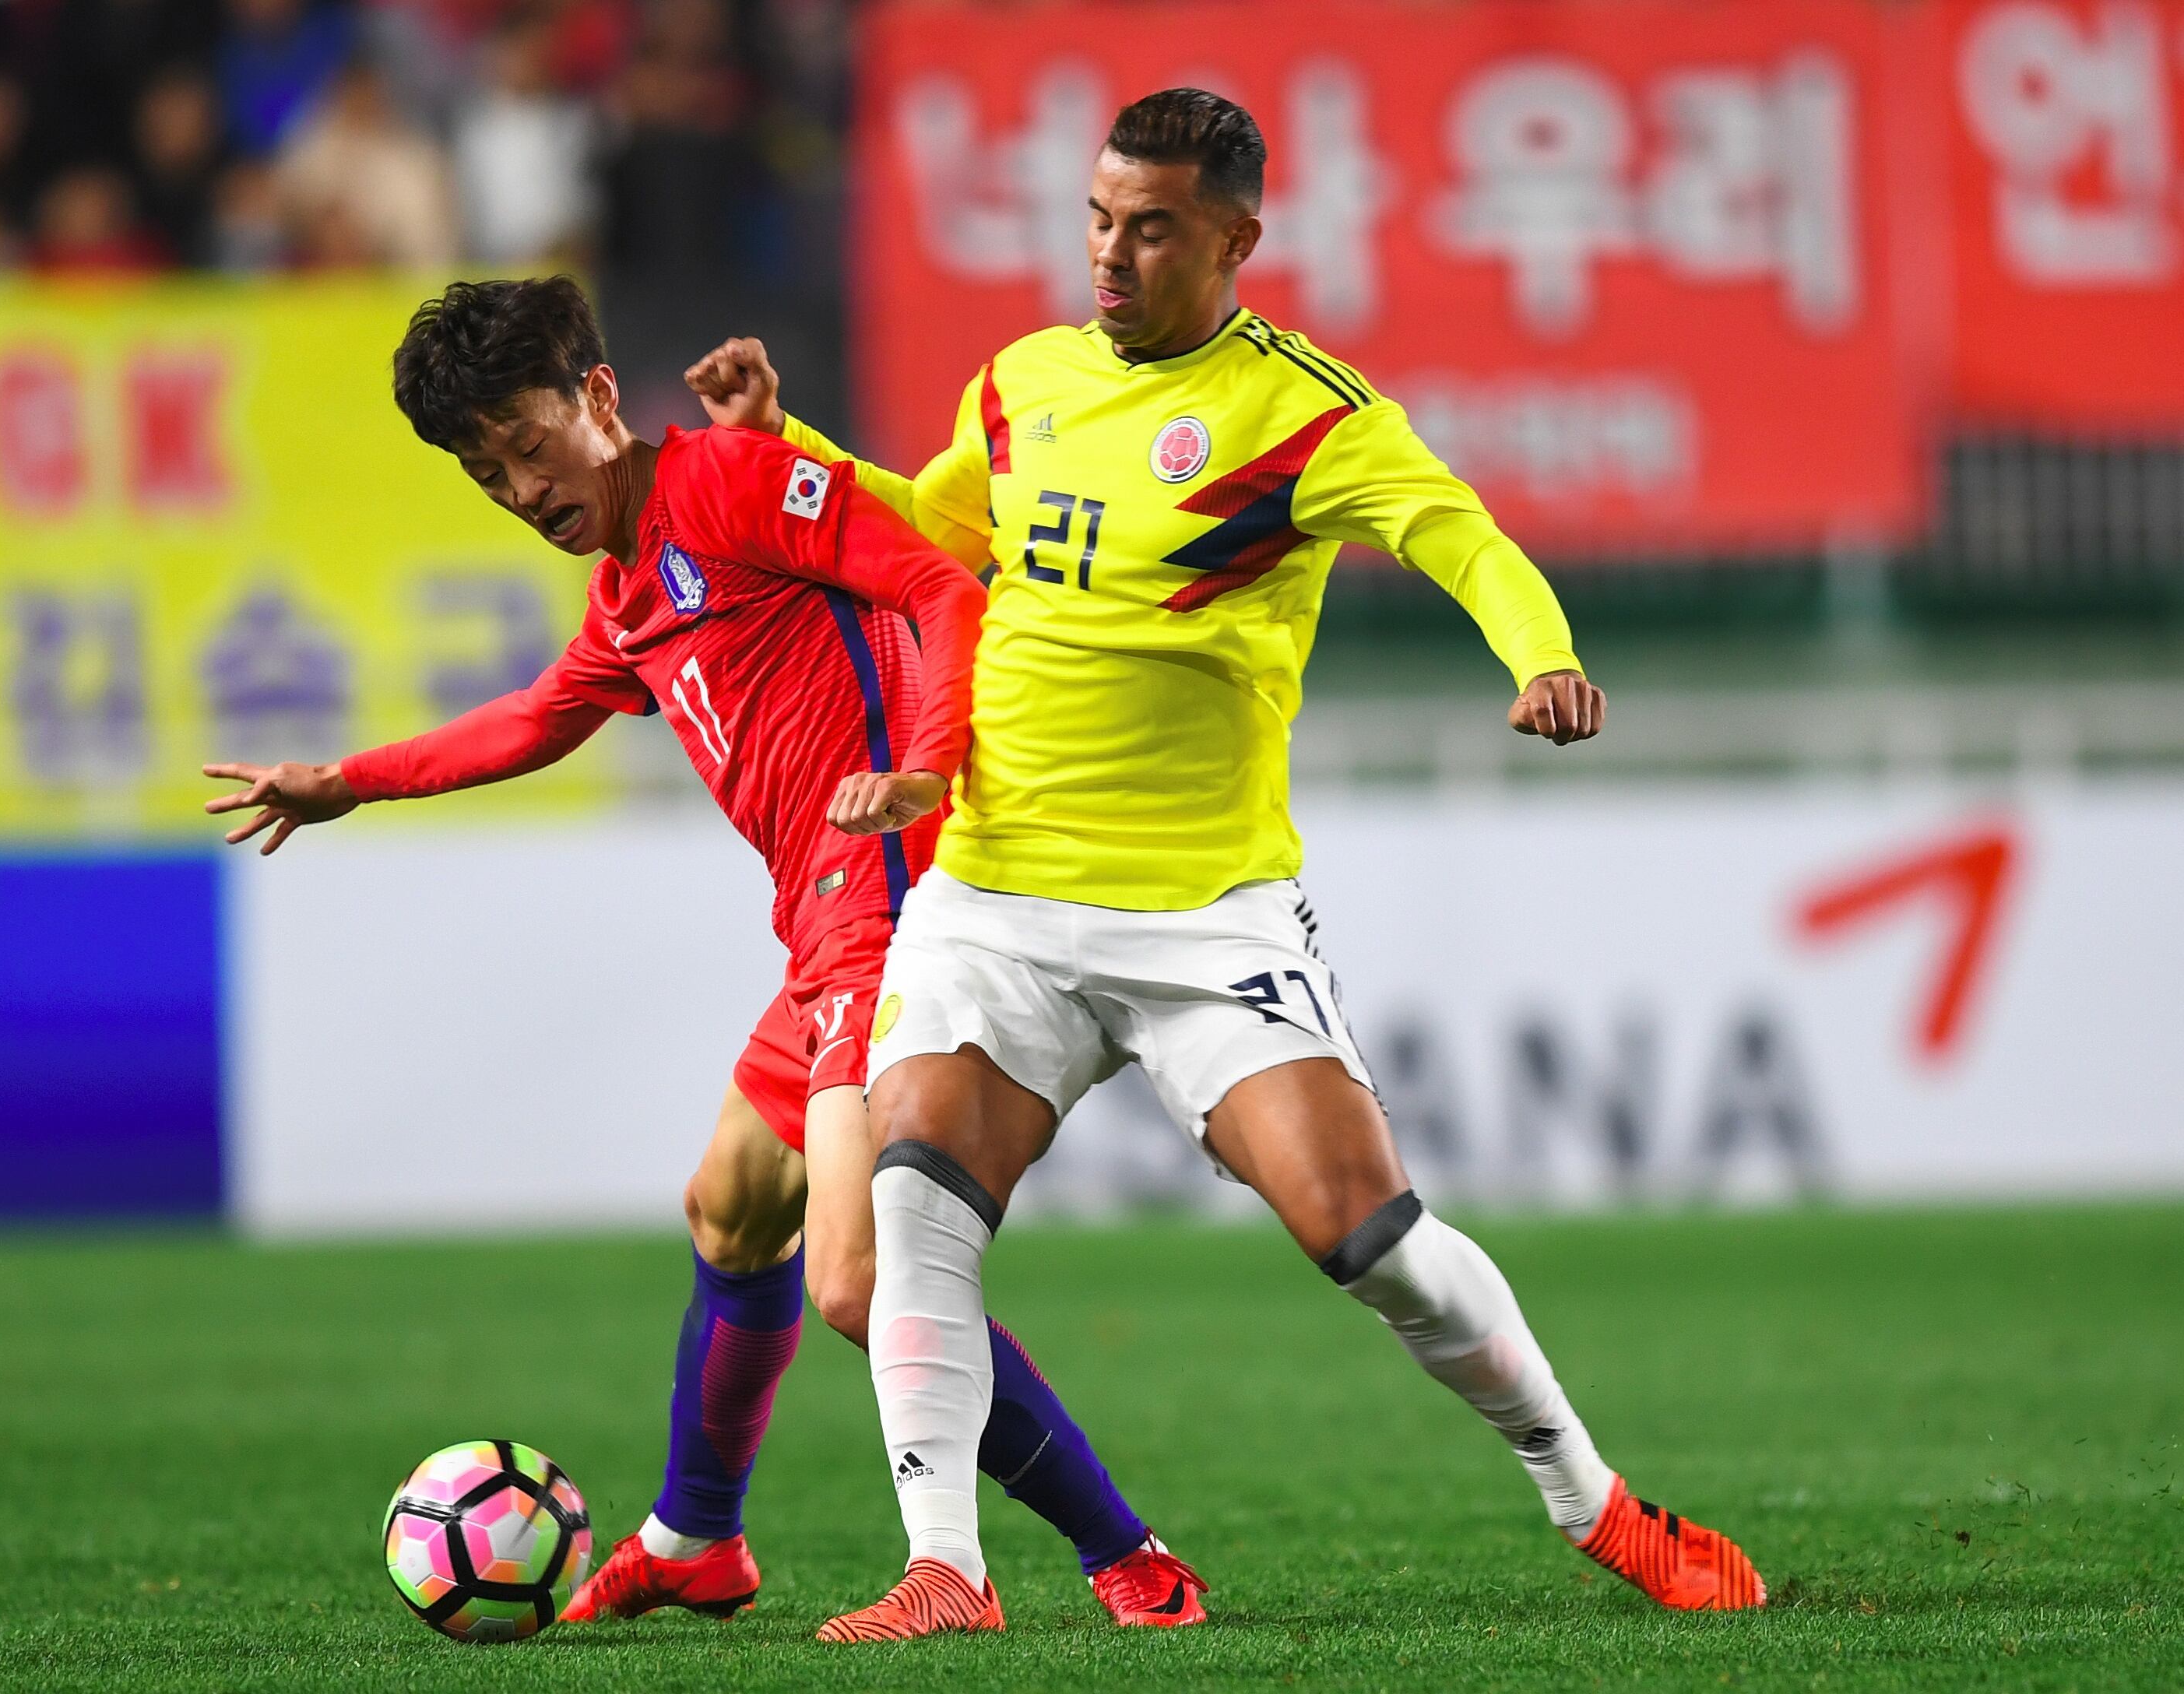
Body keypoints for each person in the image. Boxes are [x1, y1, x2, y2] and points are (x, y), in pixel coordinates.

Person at [687, 87, 1765, 1642]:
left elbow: (1460, 534)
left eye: (1151, 229)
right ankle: (946, 1568)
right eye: (1098, 218)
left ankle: (1594, 1501)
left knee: (1367, 1236)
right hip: (993, 892)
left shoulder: (1305, 416)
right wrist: (777, 445)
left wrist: (1543, 655)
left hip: (1203, 913)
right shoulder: (1022, 383)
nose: (1111, 255)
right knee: (918, 1185)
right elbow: (924, 532)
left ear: (1235, 240)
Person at [202, 276, 1206, 1630]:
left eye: (528, 442)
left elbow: (939, 581)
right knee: (733, 1204)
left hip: (897, 901)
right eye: (484, 469)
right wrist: (352, 781)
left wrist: (925, 767)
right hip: (824, 925)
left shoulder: (729, 483)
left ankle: (1125, 1559)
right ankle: (696, 1537)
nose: (518, 485)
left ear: (599, 398)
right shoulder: (630, 588)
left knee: (859, 1281)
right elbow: (534, 721)